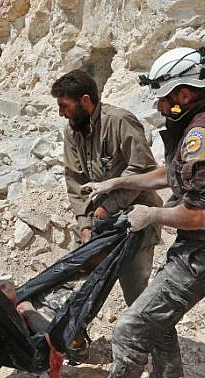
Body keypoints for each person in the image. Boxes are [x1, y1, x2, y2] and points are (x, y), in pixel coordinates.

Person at [81, 47, 205, 378]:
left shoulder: (200, 137)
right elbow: (174, 174)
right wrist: (118, 182)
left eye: (164, 99)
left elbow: (199, 215)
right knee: (157, 320)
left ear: (184, 95)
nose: (160, 107)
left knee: (130, 330)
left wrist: (152, 214)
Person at [50, 69, 163, 362]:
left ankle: (150, 357)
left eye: (65, 105)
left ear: (85, 101)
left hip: (136, 217)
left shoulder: (119, 121)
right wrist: (85, 225)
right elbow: (75, 179)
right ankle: (75, 339)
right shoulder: (73, 130)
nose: (61, 113)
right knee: (82, 282)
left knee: (135, 291)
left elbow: (142, 170)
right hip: (99, 221)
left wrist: (109, 206)